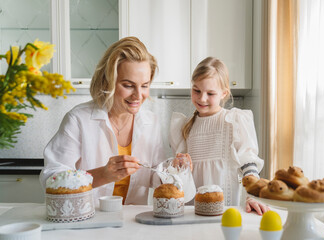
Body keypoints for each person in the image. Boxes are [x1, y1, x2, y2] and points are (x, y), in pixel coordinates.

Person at [40, 36, 165, 205]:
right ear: (107, 81)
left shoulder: (151, 122)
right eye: (128, 85)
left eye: (144, 85)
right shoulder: (78, 119)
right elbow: (50, 179)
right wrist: (102, 175)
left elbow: (156, 176)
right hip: (88, 220)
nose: (138, 95)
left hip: (131, 224)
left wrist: (176, 170)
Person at [169, 57, 268, 215]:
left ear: (224, 93)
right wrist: (177, 167)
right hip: (191, 209)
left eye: (210, 93)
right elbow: (180, 175)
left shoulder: (234, 121)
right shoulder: (184, 126)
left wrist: (253, 196)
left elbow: (248, 164)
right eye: (197, 91)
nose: (202, 98)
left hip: (224, 208)